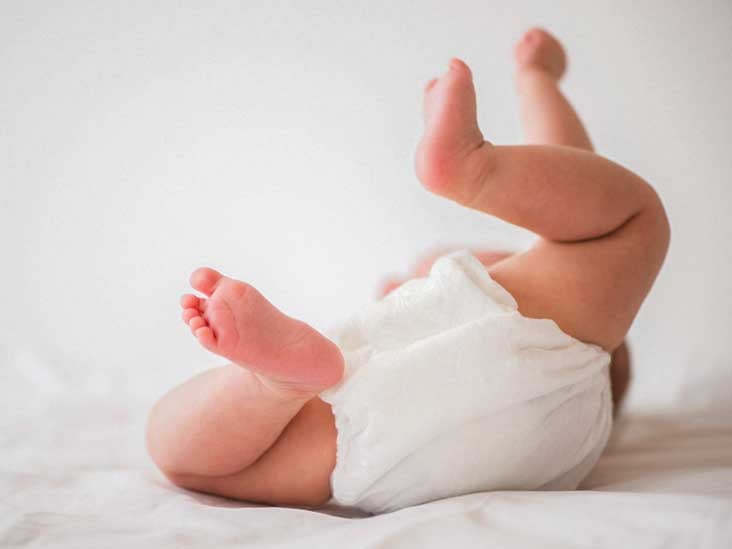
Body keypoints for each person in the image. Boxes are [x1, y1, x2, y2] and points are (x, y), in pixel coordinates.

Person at [146, 28, 668, 512]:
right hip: (517, 456)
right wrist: (540, 81)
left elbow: (565, 185)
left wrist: (537, 78)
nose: (426, 276)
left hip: (378, 445)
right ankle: (276, 383)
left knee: (183, 456)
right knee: (619, 221)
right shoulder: (572, 341)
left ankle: (272, 387)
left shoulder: (577, 348)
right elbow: (573, 185)